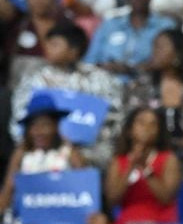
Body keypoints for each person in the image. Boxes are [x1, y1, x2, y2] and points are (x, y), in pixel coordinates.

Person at [11, 22, 123, 167]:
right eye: (48, 44)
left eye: (55, 44)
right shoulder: (34, 79)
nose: (48, 49)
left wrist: (79, 143)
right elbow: (19, 118)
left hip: (90, 151)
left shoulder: (101, 79)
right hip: (41, 151)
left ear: (74, 50)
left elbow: (114, 118)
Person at [104, 107, 183, 224]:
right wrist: (131, 167)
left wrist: (146, 170)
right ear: (130, 130)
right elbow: (112, 199)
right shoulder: (120, 162)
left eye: (153, 124)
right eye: (141, 123)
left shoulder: (168, 159)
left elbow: (166, 197)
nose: (147, 128)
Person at [0, 92, 86, 215]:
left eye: (45, 125)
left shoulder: (69, 151)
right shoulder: (21, 154)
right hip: (27, 222)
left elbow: (85, 188)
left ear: (56, 126)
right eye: (33, 126)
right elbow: (7, 192)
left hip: (62, 220)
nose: (38, 132)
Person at [83, 0, 175, 83]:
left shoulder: (164, 27)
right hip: (105, 84)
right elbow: (89, 62)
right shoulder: (109, 25)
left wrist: (132, 69)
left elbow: (167, 62)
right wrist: (106, 67)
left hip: (146, 85)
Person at [0, 0, 74, 89]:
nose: (38, 0)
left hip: (56, 93)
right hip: (15, 90)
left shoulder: (65, 25)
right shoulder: (17, 21)